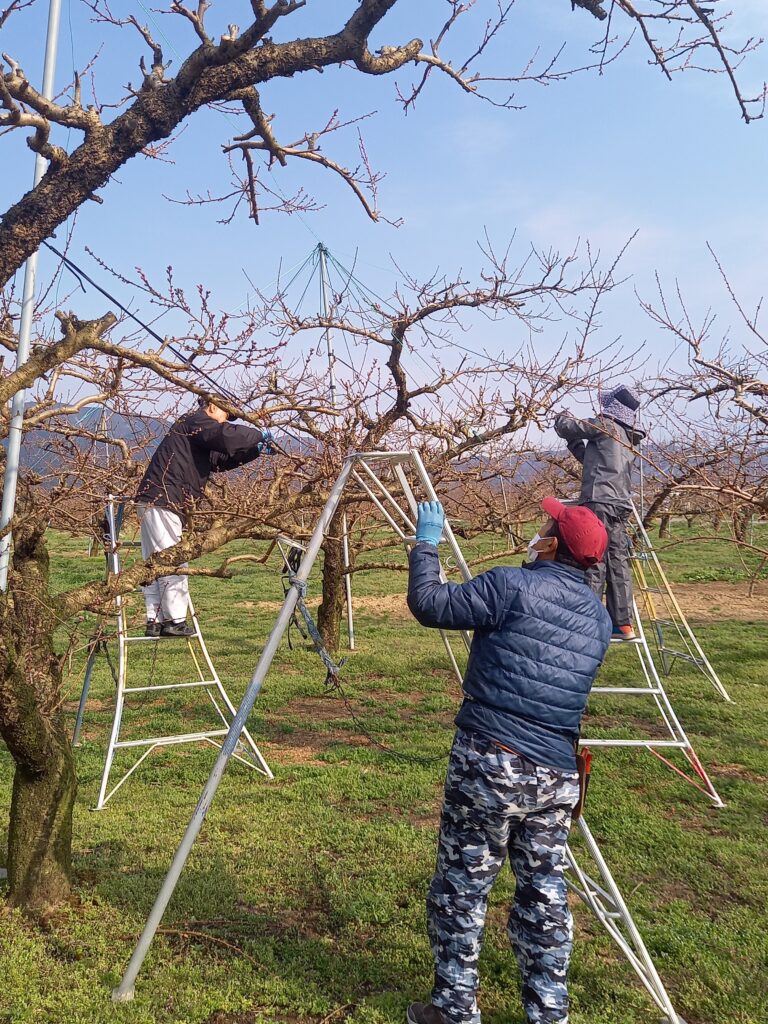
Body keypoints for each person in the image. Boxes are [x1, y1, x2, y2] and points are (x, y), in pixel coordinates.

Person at [406, 497, 611, 1024]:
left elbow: (431, 603)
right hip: (557, 774)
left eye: (546, 525)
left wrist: (426, 544)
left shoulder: (512, 585)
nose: (538, 527)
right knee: (544, 893)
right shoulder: (599, 618)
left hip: (492, 761)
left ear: (553, 543)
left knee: (462, 885)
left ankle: (454, 1009)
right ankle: (548, 1013)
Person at [135, 394, 274, 638]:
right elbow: (224, 437)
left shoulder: (196, 432)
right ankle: (174, 621)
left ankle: (154, 620)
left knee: (156, 561)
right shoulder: (194, 421)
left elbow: (219, 459)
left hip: (158, 499)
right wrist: (257, 434)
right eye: (226, 415)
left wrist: (254, 450)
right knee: (173, 558)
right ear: (213, 406)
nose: (226, 421)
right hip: (164, 499)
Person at [553, 384, 646, 640]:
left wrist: (560, 417)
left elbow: (569, 426)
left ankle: (587, 620)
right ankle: (622, 624)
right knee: (618, 562)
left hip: (599, 501)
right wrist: (574, 444)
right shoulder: (626, 438)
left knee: (594, 559)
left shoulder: (605, 426)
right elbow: (594, 463)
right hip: (620, 504)